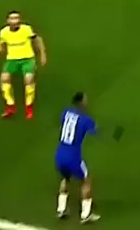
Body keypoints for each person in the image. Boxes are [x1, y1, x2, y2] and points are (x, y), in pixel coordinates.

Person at [0, 11, 47, 119]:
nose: (15, 21)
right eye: (12, 18)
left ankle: (29, 107)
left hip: (27, 59)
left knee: (28, 80)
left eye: (17, 18)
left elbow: (38, 40)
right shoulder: (4, 32)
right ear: (8, 21)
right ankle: (10, 106)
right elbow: (1, 45)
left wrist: (42, 54)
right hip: (11, 60)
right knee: (4, 79)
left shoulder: (26, 29)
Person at [55, 92, 101, 223]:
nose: (87, 102)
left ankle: (61, 208)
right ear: (81, 103)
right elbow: (96, 131)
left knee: (65, 178)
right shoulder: (86, 119)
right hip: (73, 156)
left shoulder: (65, 112)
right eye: (85, 100)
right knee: (87, 179)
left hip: (60, 154)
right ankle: (86, 214)